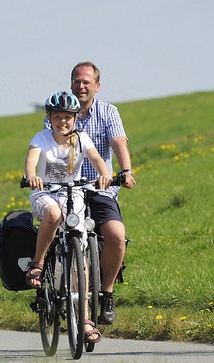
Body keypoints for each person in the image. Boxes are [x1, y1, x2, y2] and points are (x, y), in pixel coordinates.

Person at [25, 90, 112, 344]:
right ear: (49, 118)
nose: (63, 122)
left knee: (80, 257)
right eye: (57, 117)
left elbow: (96, 159)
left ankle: (84, 319)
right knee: (52, 214)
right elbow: (31, 160)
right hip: (45, 194)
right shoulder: (41, 139)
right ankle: (38, 263)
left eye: (68, 117)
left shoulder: (81, 139)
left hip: (73, 196)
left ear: (75, 119)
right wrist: (32, 175)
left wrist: (105, 174)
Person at [65, 61, 136, 325]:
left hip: (100, 188)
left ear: (97, 85)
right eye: (76, 81)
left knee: (117, 235)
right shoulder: (61, 112)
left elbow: (118, 141)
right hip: (69, 190)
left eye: (86, 82)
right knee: (66, 240)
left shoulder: (108, 112)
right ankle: (65, 292)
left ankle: (107, 293)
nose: (80, 86)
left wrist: (125, 170)